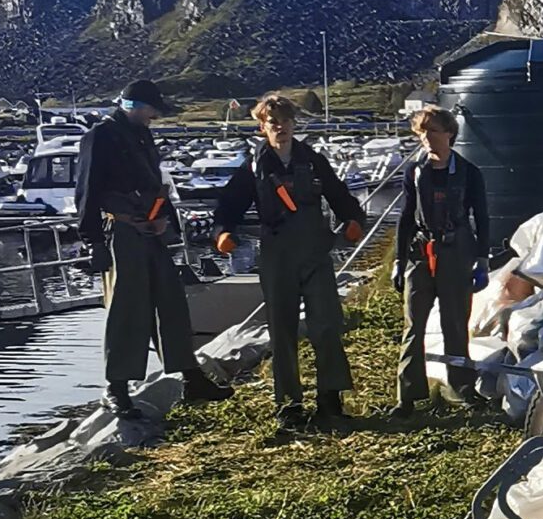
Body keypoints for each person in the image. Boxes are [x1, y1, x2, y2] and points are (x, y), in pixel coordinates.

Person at [74, 79, 233, 417]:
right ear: (133, 106)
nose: (154, 116)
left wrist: (167, 221)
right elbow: (86, 192)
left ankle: (191, 378)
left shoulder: (143, 136)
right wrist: (93, 242)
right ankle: (116, 388)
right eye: (151, 110)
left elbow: (155, 184)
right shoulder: (99, 137)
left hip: (152, 232)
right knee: (127, 311)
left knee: (171, 303)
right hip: (122, 233)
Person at [211, 93, 369, 427]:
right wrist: (223, 233)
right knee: (281, 332)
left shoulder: (312, 160)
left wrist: (353, 221)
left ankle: (331, 400)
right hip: (277, 256)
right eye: (273, 122)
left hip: (315, 254)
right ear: (262, 126)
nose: (280, 127)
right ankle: (289, 406)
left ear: (294, 124)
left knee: (326, 326)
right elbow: (228, 206)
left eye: (285, 121)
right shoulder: (254, 168)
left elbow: (340, 196)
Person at [390, 104, 489, 415]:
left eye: (433, 131)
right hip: (421, 252)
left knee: (456, 324)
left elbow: (482, 218)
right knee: (413, 325)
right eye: (422, 132)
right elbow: (405, 218)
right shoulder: (414, 171)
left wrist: (482, 261)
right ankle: (407, 397)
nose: (427, 138)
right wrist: (399, 260)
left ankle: (462, 389)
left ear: (449, 134)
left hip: (457, 252)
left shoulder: (470, 173)